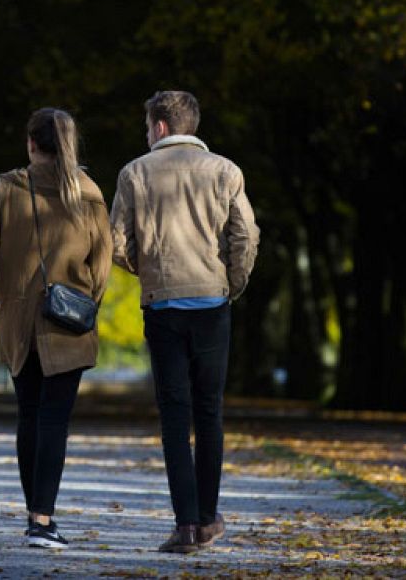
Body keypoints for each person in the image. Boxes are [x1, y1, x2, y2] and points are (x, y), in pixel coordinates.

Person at [0, 107, 112, 550]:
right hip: (68, 322)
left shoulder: (7, 188)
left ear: (31, 144)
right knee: (55, 419)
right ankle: (43, 517)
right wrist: (85, 302)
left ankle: (34, 515)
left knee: (29, 416)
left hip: (17, 319)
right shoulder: (89, 192)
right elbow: (103, 264)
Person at [110, 90, 259, 554]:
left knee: (175, 416)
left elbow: (116, 243)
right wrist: (230, 283)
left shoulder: (135, 173)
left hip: (162, 306)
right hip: (212, 304)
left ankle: (186, 526)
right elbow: (246, 236)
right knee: (209, 411)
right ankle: (210, 515)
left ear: (158, 126)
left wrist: (149, 271)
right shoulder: (225, 171)